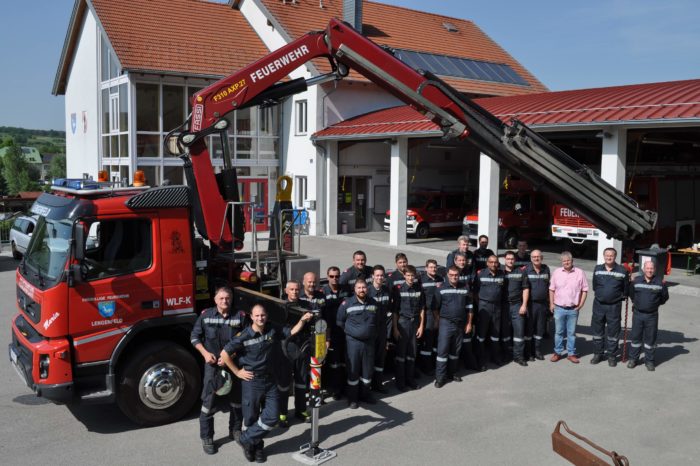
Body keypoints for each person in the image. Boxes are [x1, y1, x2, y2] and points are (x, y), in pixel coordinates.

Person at [220, 304, 313, 463]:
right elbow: (224, 354)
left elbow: (291, 332)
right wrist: (237, 372)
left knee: (273, 416)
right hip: (252, 381)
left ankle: (245, 439)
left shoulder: (272, 329)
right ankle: (256, 448)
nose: (260, 318)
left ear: (267, 316)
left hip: (270, 380)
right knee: (251, 418)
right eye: (257, 316)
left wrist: (303, 320)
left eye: (262, 315)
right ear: (251, 317)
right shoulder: (244, 335)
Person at [191, 286, 247, 455]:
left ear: (231, 299)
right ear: (215, 300)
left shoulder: (240, 316)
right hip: (212, 366)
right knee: (208, 403)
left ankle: (236, 431)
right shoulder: (206, 316)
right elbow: (194, 337)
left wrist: (231, 355)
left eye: (227, 298)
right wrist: (205, 354)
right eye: (221, 298)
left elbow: (246, 340)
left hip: (233, 365)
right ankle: (207, 437)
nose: (224, 301)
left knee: (237, 401)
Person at [337, 278, 379, 408]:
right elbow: (340, 321)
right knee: (353, 371)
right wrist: (351, 332)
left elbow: (377, 321)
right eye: (359, 288)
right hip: (353, 343)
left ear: (367, 288)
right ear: (354, 289)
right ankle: (353, 399)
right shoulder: (347, 304)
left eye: (364, 287)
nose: (362, 290)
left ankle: (365, 395)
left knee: (367, 372)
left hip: (369, 343)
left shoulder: (374, 303)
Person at [277, 280, 312, 426]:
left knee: (302, 382)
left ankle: (301, 410)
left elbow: (315, 324)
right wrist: (303, 321)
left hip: (302, 348)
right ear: (286, 291)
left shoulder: (306, 305)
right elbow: (290, 332)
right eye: (291, 289)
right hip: (286, 348)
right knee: (284, 384)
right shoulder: (280, 307)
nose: (295, 292)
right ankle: (282, 414)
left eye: (297, 289)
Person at [434, 266, 474, 387]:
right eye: (451, 275)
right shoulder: (441, 289)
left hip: (460, 323)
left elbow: (470, 308)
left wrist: (469, 323)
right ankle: (440, 377)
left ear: (459, 275)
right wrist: (439, 321)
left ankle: (453, 373)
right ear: (447, 275)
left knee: (455, 351)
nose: (454, 277)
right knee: (442, 351)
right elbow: (435, 308)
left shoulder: (465, 287)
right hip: (446, 323)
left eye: (456, 275)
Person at [591, 248, 630, 367]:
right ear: (604, 256)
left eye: (611, 255)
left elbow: (626, 289)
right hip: (598, 305)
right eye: (607, 255)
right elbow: (594, 286)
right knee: (597, 331)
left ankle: (612, 356)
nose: (609, 257)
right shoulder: (597, 269)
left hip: (614, 306)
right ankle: (598, 353)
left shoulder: (622, 271)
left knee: (613, 332)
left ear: (615, 256)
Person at [627, 260, 669, 371]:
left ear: (654, 270)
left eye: (651, 268)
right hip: (637, 314)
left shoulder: (660, 282)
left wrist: (653, 304)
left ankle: (649, 361)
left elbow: (664, 298)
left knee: (650, 339)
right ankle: (633, 359)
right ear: (643, 269)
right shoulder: (636, 281)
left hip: (652, 315)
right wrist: (638, 303)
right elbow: (631, 294)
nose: (649, 270)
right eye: (647, 268)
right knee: (635, 337)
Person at [549, 251, 588, 364]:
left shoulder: (580, 273)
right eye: (564, 261)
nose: (566, 262)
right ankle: (557, 352)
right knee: (559, 332)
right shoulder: (557, 272)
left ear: (572, 261)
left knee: (571, 333)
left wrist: (581, 304)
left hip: (573, 309)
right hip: (559, 308)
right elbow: (551, 289)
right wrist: (551, 304)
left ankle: (571, 354)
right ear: (562, 262)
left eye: (568, 260)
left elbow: (585, 290)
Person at [392, 265, 425, 391]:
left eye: (413, 275)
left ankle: (410, 380)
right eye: (408, 275)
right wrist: (395, 328)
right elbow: (395, 311)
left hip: (415, 323)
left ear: (415, 276)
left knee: (412, 354)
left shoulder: (419, 289)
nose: (411, 278)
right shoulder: (399, 290)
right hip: (403, 324)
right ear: (404, 276)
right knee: (401, 355)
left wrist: (421, 326)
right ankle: (400, 383)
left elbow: (422, 308)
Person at [321, 266, 350, 400]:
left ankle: (343, 387)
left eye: (337, 276)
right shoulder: (323, 292)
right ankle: (333, 389)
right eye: (332, 276)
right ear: (327, 277)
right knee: (333, 363)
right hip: (330, 333)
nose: (334, 279)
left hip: (344, 332)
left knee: (344, 362)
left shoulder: (346, 290)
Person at [473, 255, 506, 369]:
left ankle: (495, 357)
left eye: (495, 262)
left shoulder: (502, 274)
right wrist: (481, 304)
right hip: (484, 307)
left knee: (495, 335)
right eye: (491, 262)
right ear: (487, 263)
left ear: (498, 263)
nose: (493, 264)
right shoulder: (481, 274)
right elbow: (475, 292)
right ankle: (480, 360)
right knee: (481, 336)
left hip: (497, 307)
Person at [367, 265, 392, 393]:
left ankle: (378, 384)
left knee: (380, 359)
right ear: (372, 277)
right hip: (370, 331)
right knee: (369, 359)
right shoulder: (367, 291)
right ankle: (367, 387)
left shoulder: (387, 291)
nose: (379, 277)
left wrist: (387, 336)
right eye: (377, 275)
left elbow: (389, 314)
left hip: (382, 331)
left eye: (382, 275)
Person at [503, 251, 530, 366]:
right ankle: (507, 355)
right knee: (505, 333)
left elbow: (525, 289)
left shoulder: (521, 272)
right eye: (508, 259)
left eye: (512, 259)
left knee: (519, 332)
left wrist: (524, 305)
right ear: (504, 259)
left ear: (515, 260)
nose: (510, 261)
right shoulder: (500, 272)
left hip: (517, 305)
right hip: (503, 306)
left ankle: (519, 356)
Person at [419, 259, 444, 375]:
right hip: (428, 313)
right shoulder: (421, 280)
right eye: (431, 267)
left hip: (439, 312)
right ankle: (426, 367)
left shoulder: (440, 279)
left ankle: (434, 364)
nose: (433, 269)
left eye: (435, 267)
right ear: (426, 268)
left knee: (437, 340)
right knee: (427, 341)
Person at [524, 250, 550, 360]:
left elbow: (549, 286)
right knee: (529, 329)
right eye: (534, 257)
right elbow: (525, 288)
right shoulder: (526, 270)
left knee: (540, 329)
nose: (536, 258)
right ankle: (529, 352)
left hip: (543, 304)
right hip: (531, 304)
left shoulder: (546, 269)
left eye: (538, 256)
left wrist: (550, 303)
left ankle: (537, 350)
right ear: (531, 258)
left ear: (542, 257)